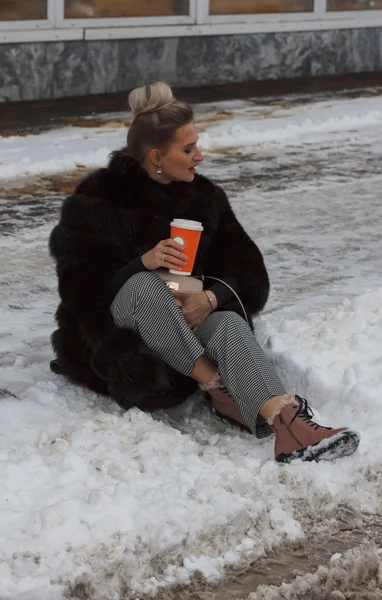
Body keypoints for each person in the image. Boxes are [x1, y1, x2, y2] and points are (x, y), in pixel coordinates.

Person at [49, 81, 360, 464]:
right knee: (145, 286)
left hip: (186, 336)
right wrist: (141, 264)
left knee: (228, 324)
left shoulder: (205, 198)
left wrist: (209, 298)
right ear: (156, 155)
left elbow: (252, 274)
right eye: (188, 148)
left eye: (197, 144)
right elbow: (81, 293)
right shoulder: (97, 201)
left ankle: (291, 428)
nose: (200, 155)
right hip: (127, 346)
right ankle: (220, 389)